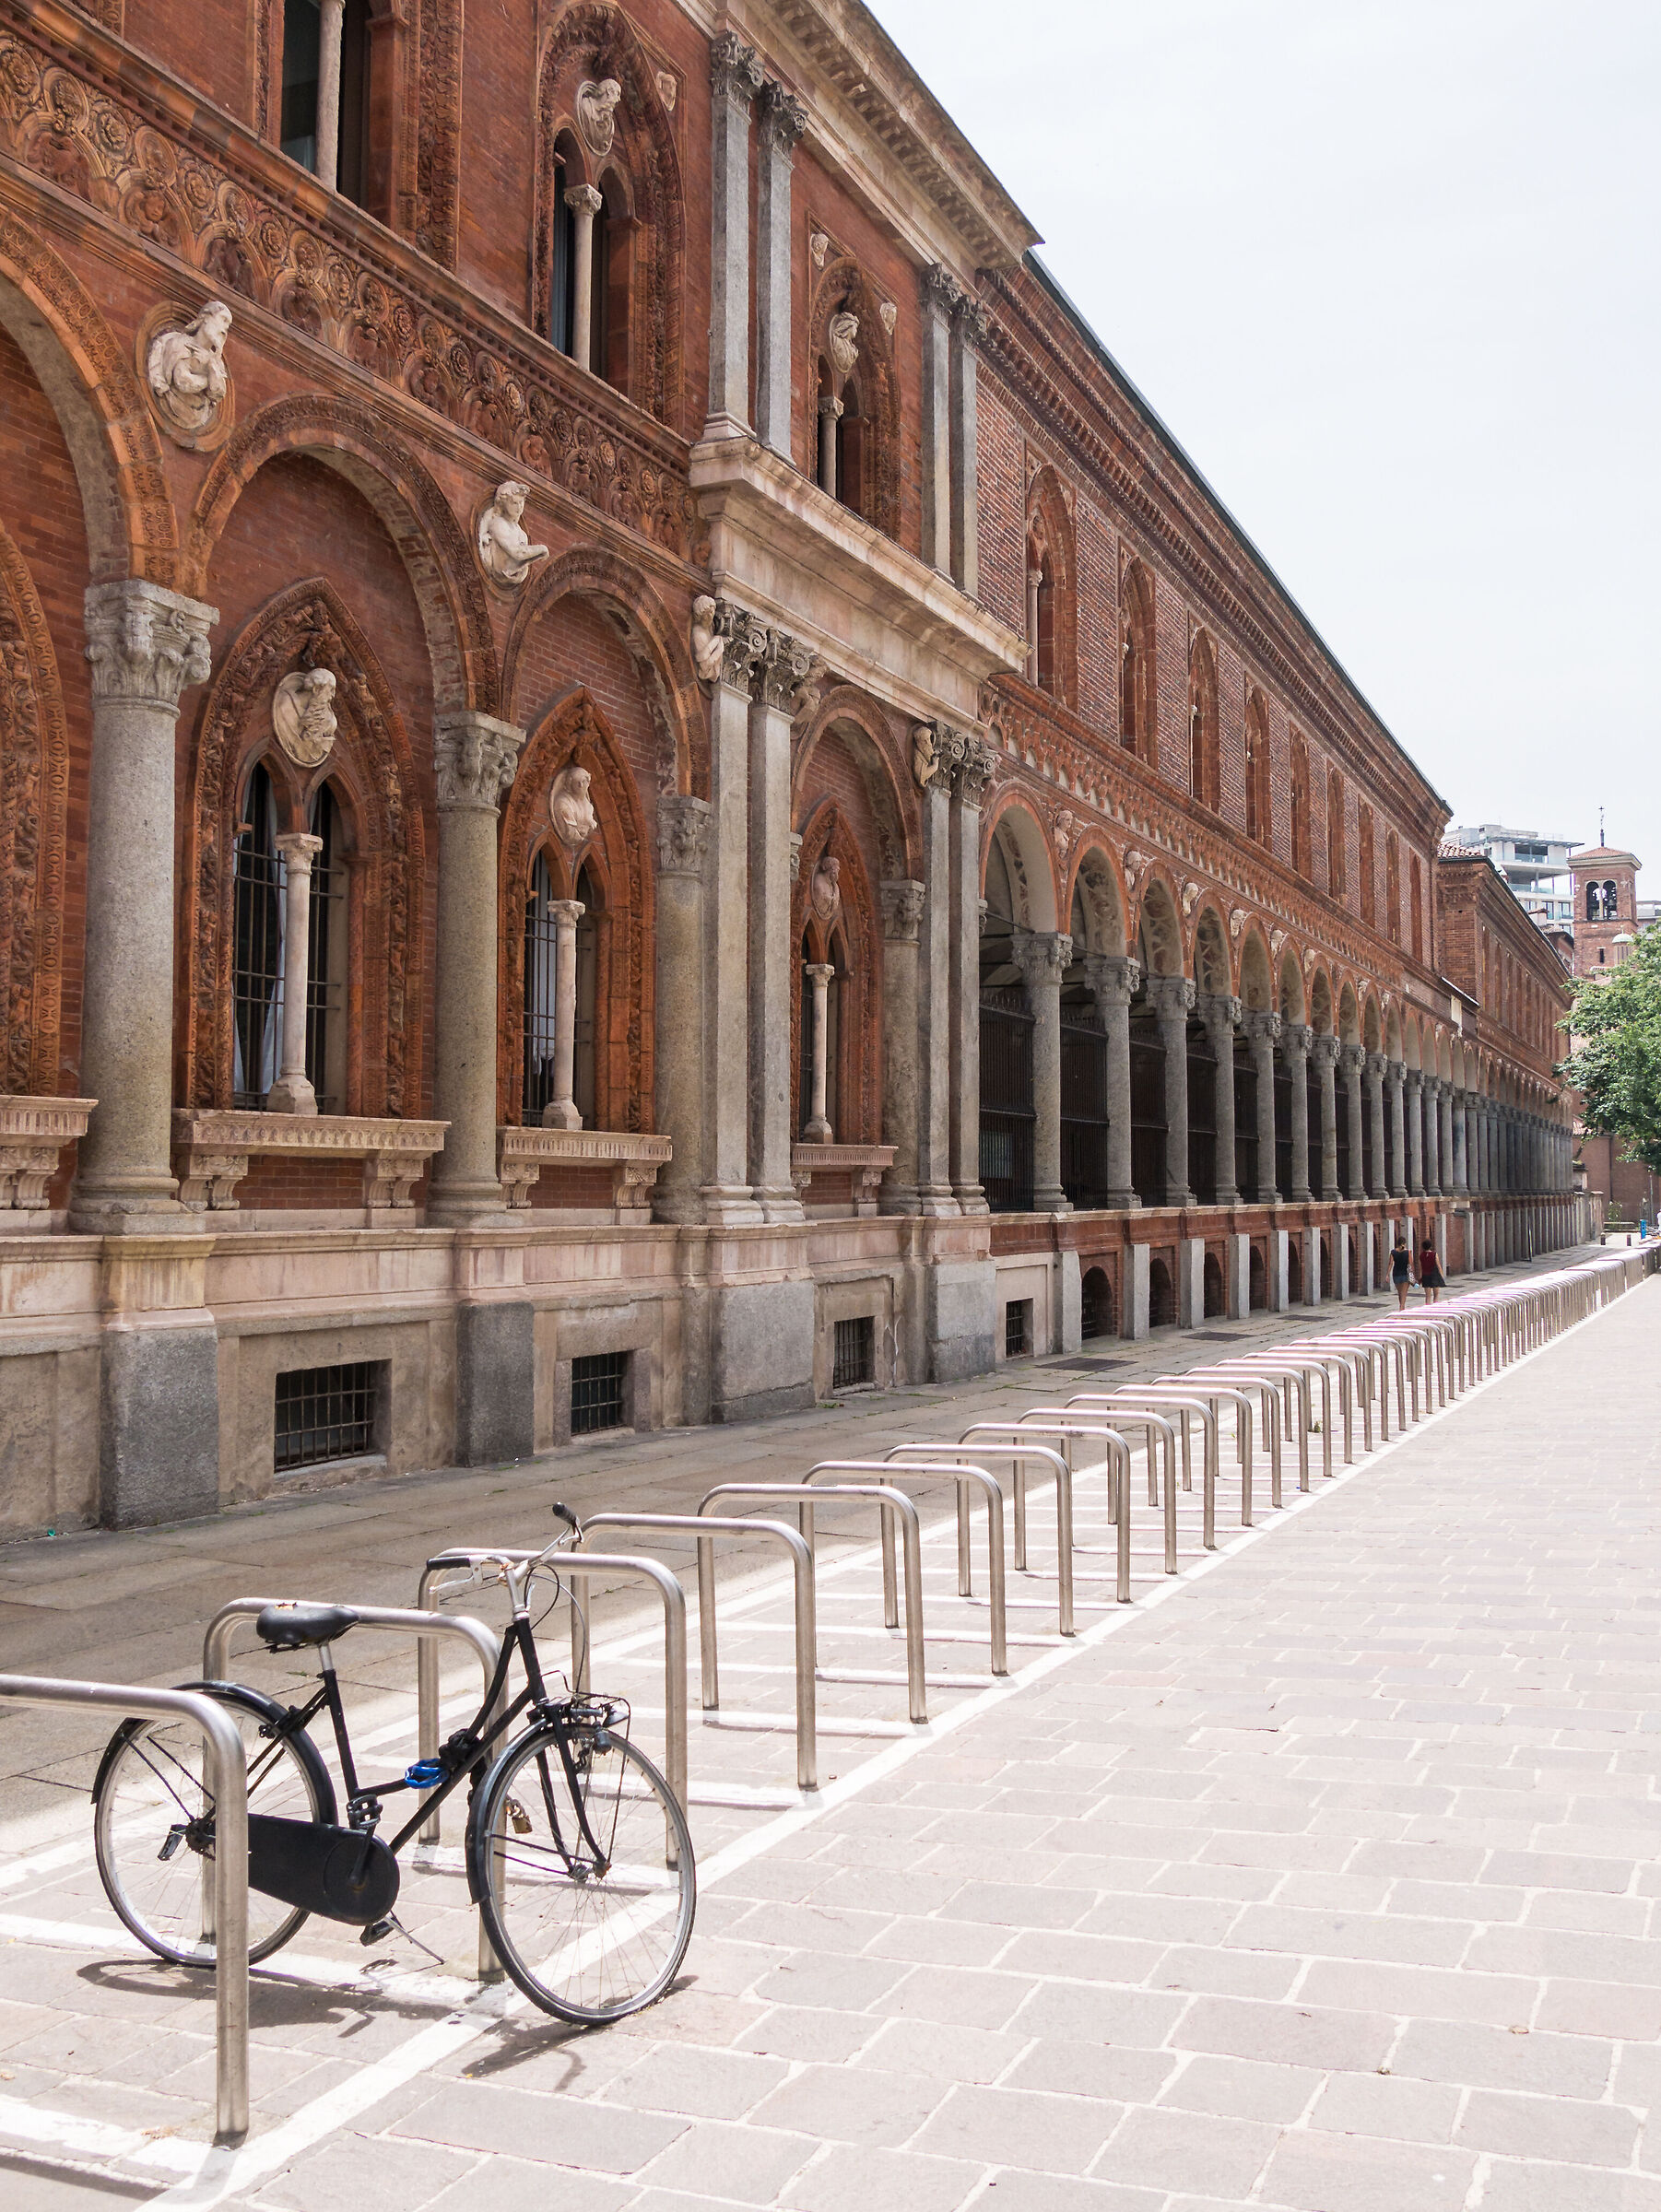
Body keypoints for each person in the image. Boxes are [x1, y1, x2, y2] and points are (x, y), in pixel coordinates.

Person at [1390, 1231, 1414, 1312]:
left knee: (1400, 1293)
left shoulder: (1393, 1252)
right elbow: (1411, 1264)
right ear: (1405, 1243)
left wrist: (1387, 1274)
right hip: (1404, 1275)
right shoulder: (1408, 1252)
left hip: (1396, 1275)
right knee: (1403, 1293)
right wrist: (1412, 1275)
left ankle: (1402, 1308)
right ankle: (1402, 1309)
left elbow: (1390, 1263)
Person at [1419, 1236, 1446, 1304]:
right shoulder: (1434, 1254)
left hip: (1425, 1276)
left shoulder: (1421, 1255)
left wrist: (1420, 1277)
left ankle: (1427, 1309)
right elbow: (1438, 1265)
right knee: (1436, 1295)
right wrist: (1441, 1275)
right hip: (1434, 1275)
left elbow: (1421, 1267)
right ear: (1430, 1246)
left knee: (1428, 1296)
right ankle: (1435, 1308)